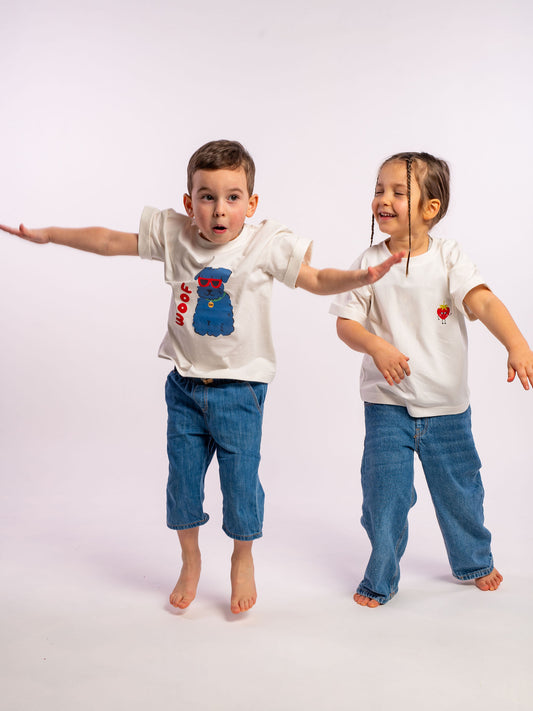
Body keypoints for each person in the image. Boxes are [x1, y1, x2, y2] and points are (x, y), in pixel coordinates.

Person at [0, 139, 402, 615]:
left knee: (241, 484)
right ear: (190, 203)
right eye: (207, 197)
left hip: (240, 390)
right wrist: (50, 235)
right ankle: (189, 558)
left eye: (232, 197)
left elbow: (315, 279)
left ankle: (242, 556)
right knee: (183, 484)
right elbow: (109, 241)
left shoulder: (265, 244)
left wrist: (358, 278)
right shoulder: (176, 234)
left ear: (251, 204)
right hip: (186, 388)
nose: (219, 209)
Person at [330, 151, 533, 607]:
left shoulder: (448, 257)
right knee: (383, 498)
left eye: (398, 192)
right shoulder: (369, 262)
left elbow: (482, 301)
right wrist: (377, 346)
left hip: (446, 409)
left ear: (430, 208)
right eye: (379, 190)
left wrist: (516, 343)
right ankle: (380, 576)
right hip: (387, 405)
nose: (383, 199)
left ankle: (474, 560)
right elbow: (346, 324)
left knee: (460, 492)